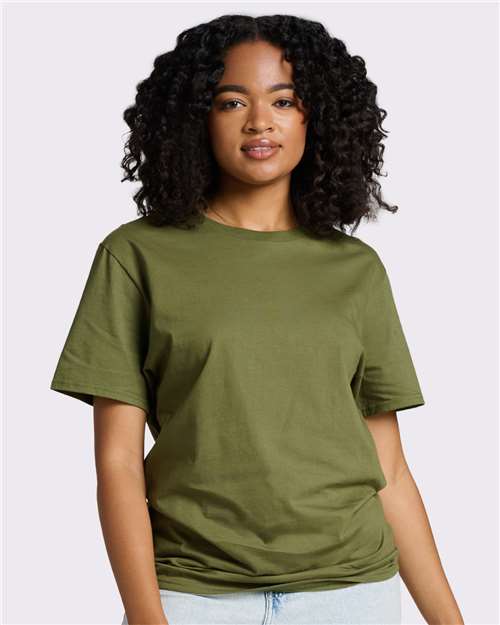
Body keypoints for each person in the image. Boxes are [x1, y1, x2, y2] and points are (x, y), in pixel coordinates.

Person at [49, 14, 464, 625]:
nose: (260, 122)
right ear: (197, 117)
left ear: (316, 117)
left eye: (284, 100)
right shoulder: (136, 255)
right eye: (231, 101)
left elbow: (390, 471)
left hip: (352, 594)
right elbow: (117, 464)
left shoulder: (356, 268)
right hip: (194, 595)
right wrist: (147, 617)